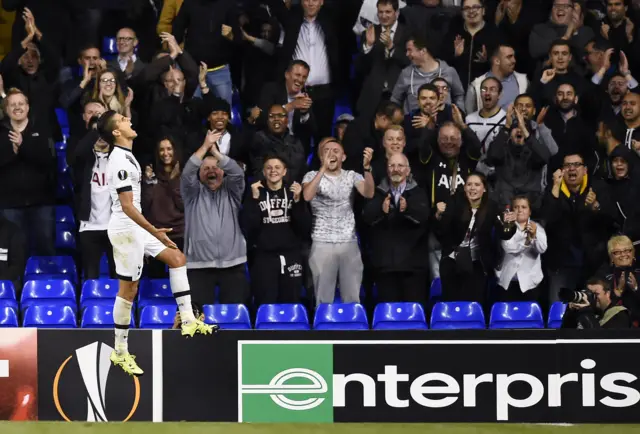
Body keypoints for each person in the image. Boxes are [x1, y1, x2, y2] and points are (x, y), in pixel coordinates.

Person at [97, 110, 214, 377]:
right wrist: (155, 231)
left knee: (177, 258)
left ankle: (187, 320)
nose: (129, 120)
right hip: (127, 230)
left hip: (137, 227)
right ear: (116, 132)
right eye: (124, 120)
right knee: (128, 291)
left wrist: (149, 231)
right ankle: (120, 351)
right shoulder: (118, 161)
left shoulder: (127, 155)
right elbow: (127, 206)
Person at [435, 172, 514, 303]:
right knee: (451, 304)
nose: (472, 188)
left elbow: (505, 234)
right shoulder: (454, 202)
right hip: (452, 262)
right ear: (464, 187)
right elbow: (441, 230)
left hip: (478, 264)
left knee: (474, 304)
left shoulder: (492, 207)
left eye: (477, 185)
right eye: (469, 184)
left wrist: (509, 224)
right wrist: (438, 215)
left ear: (484, 189)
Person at [243, 155, 311, 307]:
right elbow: (249, 227)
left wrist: (299, 201)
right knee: (265, 302)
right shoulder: (256, 193)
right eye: (269, 168)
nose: (273, 171)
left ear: (284, 171)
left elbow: (304, 227)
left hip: (291, 255)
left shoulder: (293, 192)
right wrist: (254, 200)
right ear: (264, 172)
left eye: (277, 167)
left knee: (292, 301)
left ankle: (291, 331)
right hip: (264, 257)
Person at [495, 195, 547, 302]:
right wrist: (527, 241)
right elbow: (509, 248)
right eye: (516, 207)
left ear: (530, 211)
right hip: (507, 283)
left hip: (530, 284)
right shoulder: (506, 227)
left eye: (524, 207)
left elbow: (542, 249)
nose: (520, 210)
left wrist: (534, 236)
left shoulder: (538, 228)